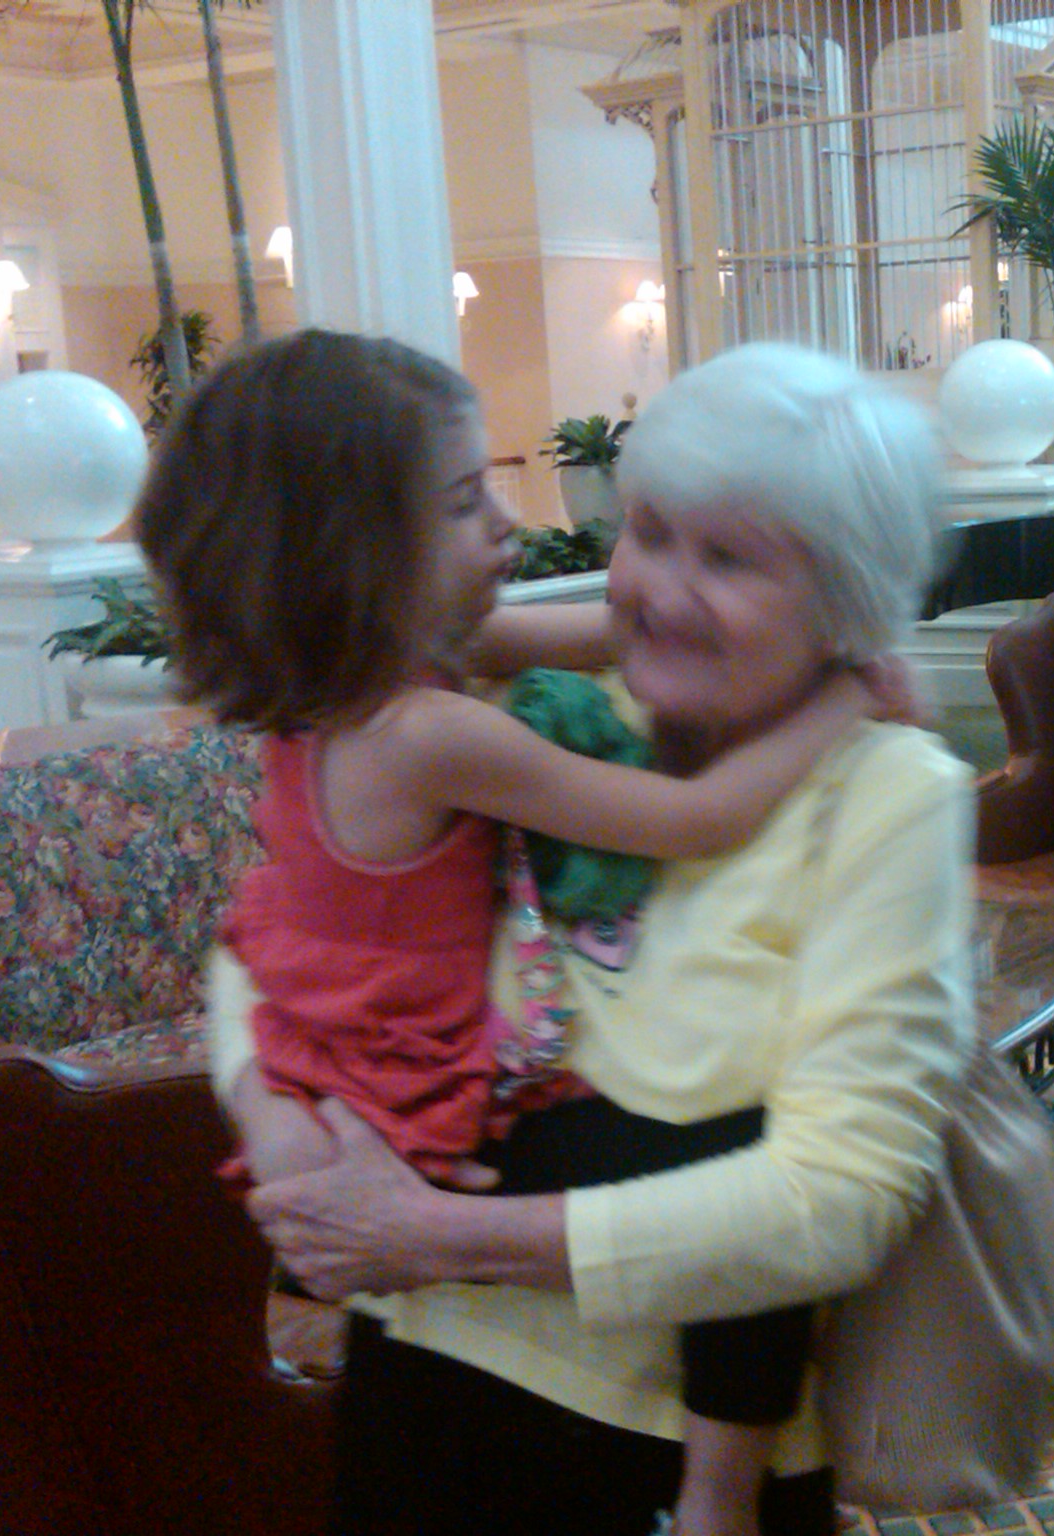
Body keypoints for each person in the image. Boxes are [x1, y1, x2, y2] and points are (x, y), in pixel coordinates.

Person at [217, 341, 976, 1536]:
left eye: (727, 558)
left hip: (658, 1446)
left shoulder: (888, 793)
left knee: (725, 1137)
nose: (654, 591)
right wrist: (276, 1121)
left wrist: (438, 1234)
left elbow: (839, 1198)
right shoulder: (534, 707)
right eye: (647, 533)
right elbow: (267, 937)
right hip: (415, 1370)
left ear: (842, 600)